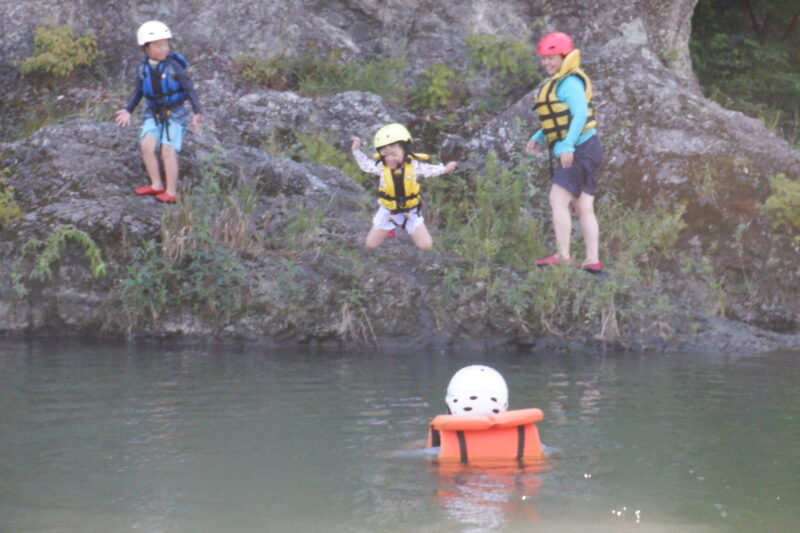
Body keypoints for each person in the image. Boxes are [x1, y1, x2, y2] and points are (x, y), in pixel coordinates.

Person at [525, 32, 604, 272]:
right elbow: (560, 117)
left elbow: (579, 115)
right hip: (588, 148)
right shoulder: (561, 81)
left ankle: (563, 255)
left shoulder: (569, 82)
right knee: (583, 207)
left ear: (564, 56)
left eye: (552, 58)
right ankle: (592, 260)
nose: (547, 63)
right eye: (544, 58)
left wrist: (568, 145)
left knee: (557, 199)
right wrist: (540, 135)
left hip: (580, 149)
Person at [115, 20, 202, 204]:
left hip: (175, 113)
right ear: (145, 48)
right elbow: (139, 91)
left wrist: (197, 112)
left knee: (167, 150)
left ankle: (171, 191)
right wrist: (128, 109)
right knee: (146, 146)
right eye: (158, 45)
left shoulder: (174, 66)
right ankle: (156, 184)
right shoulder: (143, 69)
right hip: (153, 112)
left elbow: (189, 89)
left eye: (166, 44)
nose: (164, 49)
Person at [351, 123, 457, 250]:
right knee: (371, 245)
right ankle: (389, 227)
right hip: (388, 211)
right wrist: (356, 151)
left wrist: (445, 169)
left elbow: (429, 170)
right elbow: (366, 165)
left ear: (405, 150)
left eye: (394, 154)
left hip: (410, 211)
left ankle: (402, 227)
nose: (389, 158)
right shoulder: (381, 167)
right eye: (385, 154)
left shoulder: (413, 166)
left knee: (426, 246)